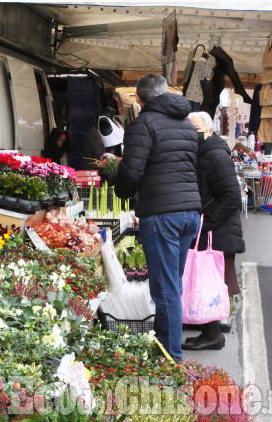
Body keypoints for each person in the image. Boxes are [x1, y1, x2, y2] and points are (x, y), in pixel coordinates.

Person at [114, 74, 202, 361]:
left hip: (163, 215)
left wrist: (122, 189)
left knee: (165, 290)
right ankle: (167, 346)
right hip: (189, 213)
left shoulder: (143, 125)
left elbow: (131, 172)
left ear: (138, 98)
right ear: (166, 94)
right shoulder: (186, 123)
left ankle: (169, 355)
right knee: (171, 287)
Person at [184, 112, 245, 350]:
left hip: (217, 231)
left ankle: (213, 334)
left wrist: (205, 222)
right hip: (215, 230)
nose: (193, 133)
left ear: (209, 130)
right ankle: (212, 331)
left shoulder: (216, 156)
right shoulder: (205, 152)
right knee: (210, 282)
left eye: (197, 128)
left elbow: (231, 196)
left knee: (209, 283)